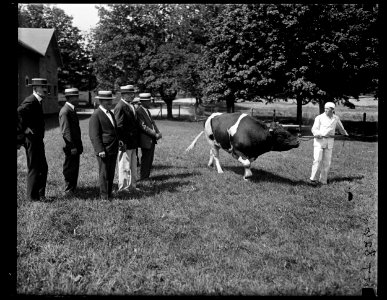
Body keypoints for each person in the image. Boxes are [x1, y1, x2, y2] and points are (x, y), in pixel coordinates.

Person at [17, 78, 49, 202]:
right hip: (31, 139)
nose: (45, 89)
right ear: (35, 88)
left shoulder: (38, 101)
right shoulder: (30, 101)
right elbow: (18, 113)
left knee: (42, 167)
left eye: (45, 87)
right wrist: (24, 128)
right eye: (42, 87)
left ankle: (40, 195)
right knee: (34, 167)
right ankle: (31, 198)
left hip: (37, 139)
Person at [309, 102, 349, 186]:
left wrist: (345, 134)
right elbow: (314, 129)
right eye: (325, 108)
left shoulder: (336, 118)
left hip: (329, 142)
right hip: (319, 141)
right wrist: (317, 134)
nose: (326, 110)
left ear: (332, 110)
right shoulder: (319, 117)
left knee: (327, 162)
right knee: (317, 160)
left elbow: (341, 128)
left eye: (328, 109)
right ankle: (313, 179)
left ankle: (323, 180)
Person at [89, 91, 119, 200]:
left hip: (113, 148)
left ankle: (109, 193)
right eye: (107, 100)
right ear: (100, 101)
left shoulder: (110, 113)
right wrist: (99, 149)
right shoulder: (96, 115)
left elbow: (114, 130)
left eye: (110, 100)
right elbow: (94, 135)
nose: (110, 102)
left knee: (111, 172)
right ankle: (104, 196)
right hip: (104, 150)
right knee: (104, 173)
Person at [114, 85, 141, 192]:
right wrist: (122, 142)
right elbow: (119, 127)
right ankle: (124, 187)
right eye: (130, 94)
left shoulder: (130, 105)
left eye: (133, 93)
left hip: (133, 142)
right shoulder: (120, 107)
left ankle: (132, 186)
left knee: (133, 166)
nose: (132, 96)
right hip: (125, 142)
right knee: (124, 166)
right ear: (123, 95)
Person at [58, 88, 83, 196]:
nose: (77, 98)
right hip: (70, 146)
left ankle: (72, 188)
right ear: (69, 98)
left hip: (75, 145)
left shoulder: (71, 109)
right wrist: (72, 146)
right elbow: (65, 131)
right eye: (75, 96)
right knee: (69, 168)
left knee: (74, 167)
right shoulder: (65, 111)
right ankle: (68, 190)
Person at [136, 93, 162, 180]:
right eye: (148, 100)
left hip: (151, 139)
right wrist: (155, 134)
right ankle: (144, 177)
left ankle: (146, 176)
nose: (150, 102)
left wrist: (158, 132)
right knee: (146, 158)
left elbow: (152, 122)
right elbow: (143, 126)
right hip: (145, 139)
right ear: (143, 101)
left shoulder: (147, 110)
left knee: (150, 158)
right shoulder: (139, 111)